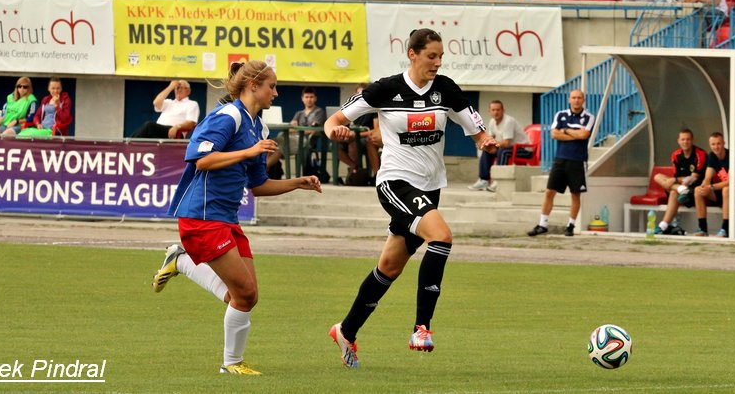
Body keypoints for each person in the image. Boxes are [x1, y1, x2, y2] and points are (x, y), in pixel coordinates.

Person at [323, 28, 497, 368]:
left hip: (430, 188)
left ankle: (346, 330)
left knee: (389, 267)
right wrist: (335, 131)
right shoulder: (385, 89)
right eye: (431, 56)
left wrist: (486, 141)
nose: (437, 62)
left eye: (441, 56)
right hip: (395, 183)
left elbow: (478, 132)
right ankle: (421, 328)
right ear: (412, 54)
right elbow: (335, 120)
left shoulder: (446, 89)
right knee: (441, 237)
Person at [151, 60, 322, 375]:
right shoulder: (228, 116)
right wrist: (248, 151)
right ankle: (230, 364)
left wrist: (297, 183)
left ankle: (181, 261)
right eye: (272, 86)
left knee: (246, 296)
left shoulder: (259, 128)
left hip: (226, 218)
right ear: (253, 86)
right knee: (244, 294)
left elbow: (258, 186)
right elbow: (201, 160)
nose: (276, 93)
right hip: (201, 215)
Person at [528, 89, 594, 237]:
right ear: (569, 99)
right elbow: (554, 134)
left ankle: (570, 226)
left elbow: (584, 135)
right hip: (560, 159)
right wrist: (574, 133)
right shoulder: (560, 114)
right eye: (573, 98)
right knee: (549, 191)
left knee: (575, 194)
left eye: (579, 98)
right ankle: (542, 224)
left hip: (578, 160)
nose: (576, 100)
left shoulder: (589, 117)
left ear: (583, 100)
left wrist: (564, 131)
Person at [652, 128, 707, 236]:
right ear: (678, 141)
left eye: (688, 139)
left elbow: (693, 178)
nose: (685, 142)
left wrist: (674, 180)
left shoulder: (700, 154)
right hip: (681, 188)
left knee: (673, 192)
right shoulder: (675, 155)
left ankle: (663, 226)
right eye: (683, 139)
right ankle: (682, 190)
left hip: (694, 191)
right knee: (657, 176)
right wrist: (675, 182)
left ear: (692, 140)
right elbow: (676, 177)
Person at [469, 100, 527, 192]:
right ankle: (484, 180)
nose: (496, 112)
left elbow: (506, 143)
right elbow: (491, 138)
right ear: (489, 111)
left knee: (503, 152)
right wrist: (485, 144)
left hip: (524, 150)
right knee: (487, 151)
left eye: (498, 110)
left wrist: (492, 145)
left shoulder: (508, 121)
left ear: (503, 110)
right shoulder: (492, 122)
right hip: (508, 149)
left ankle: (498, 181)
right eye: (493, 110)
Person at [693, 132, 735, 238]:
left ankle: (725, 229)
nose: (716, 147)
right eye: (713, 144)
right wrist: (704, 187)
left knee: (726, 189)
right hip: (721, 192)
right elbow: (707, 178)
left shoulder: (733, 156)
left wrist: (711, 187)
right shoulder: (712, 156)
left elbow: (731, 181)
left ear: (724, 143)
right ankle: (703, 228)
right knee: (697, 190)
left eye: (718, 143)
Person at [130, 80, 199, 139]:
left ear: (188, 91)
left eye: (181, 88)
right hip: (159, 130)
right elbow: (156, 103)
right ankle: (130, 142)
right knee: (147, 130)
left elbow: (191, 123)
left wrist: (177, 127)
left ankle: (128, 143)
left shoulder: (192, 104)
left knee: (149, 126)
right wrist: (170, 87)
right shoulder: (169, 102)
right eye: (177, 88)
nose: (178, 90)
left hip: (175, 132)